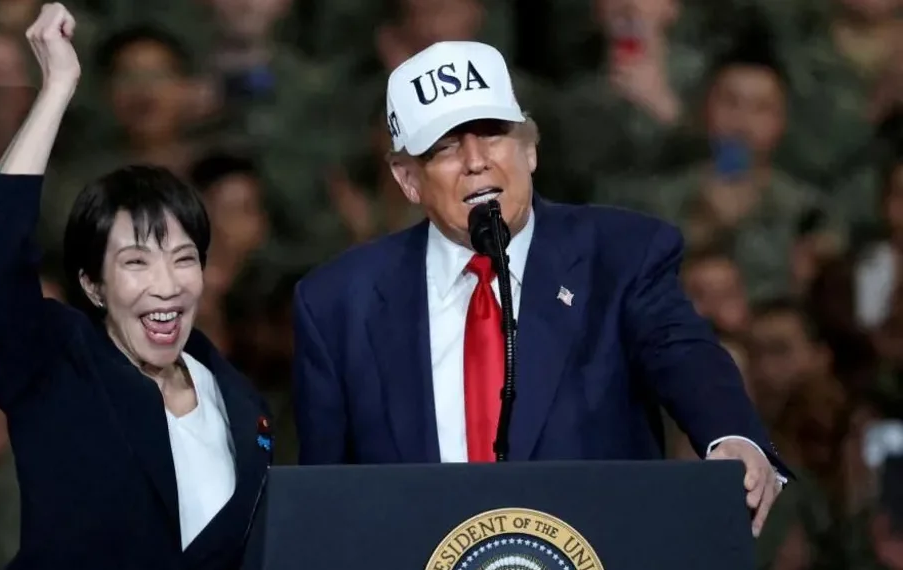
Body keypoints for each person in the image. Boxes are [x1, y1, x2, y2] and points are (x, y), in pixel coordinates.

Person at [292, 40, 788, 536]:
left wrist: (732, 436)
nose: (475, 161)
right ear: (407, 179)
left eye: (492, 134)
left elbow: (684, 353)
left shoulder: (620, 256)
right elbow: (325, 508)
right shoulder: (338, 305)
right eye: (444, 147)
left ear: (529, 148)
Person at [0, 4, 271, 569]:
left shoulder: (236, 396)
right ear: (93, 284)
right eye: (136, 263)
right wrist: (57, 87)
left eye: (183, 259)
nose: (166, 286)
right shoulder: (58, 366)